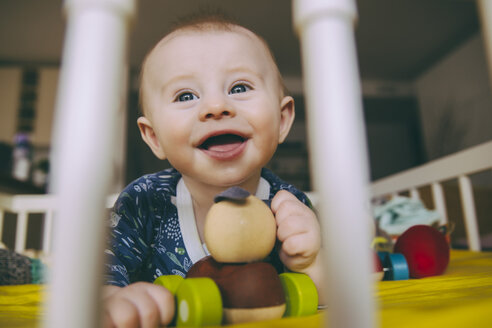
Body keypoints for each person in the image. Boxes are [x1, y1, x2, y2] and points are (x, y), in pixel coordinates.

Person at [103, 13, 324, 328]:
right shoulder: (143, 202)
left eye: (239, 87)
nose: (216, 106)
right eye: (186, 96)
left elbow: (322, 298)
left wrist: (312, 262)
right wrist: (110, 296)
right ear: (154, 138)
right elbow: (105, 264)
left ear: (283, 119)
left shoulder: (289, 206)